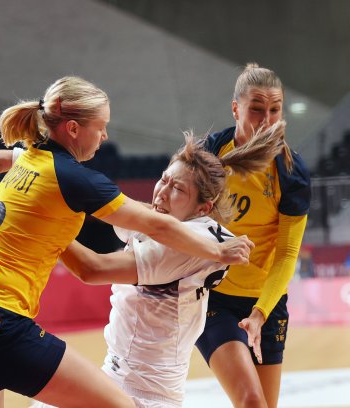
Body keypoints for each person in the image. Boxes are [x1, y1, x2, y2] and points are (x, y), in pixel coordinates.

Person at [0, 76, 253, 408]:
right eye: (101, 126)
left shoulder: (31, 161)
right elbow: (155, 225)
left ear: (204, 207)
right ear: (73, 129)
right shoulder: (75, 178)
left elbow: (147, 222)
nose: (105, 136)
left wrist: (19, 172)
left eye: (178, 188)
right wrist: (219, 251)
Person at [30, 121, 285, 408]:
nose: (161, 193)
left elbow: (92, 269)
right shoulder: (166, 220)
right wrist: (24, 161)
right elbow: (115, 207)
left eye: (177, 188)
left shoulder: (187, 245)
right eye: (163, 179)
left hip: (144, 397)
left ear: (203, 208)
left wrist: (43, 220)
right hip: (115, 381)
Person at [194, 63, 311, 408]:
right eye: (256, 109)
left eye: (275, 110)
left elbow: (287, 254)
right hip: (212, 296)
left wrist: (260, 313)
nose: (266, 119)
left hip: (266, 303)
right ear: (235, 109)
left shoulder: (291, 171)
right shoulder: (210, 155)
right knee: (250, 401)